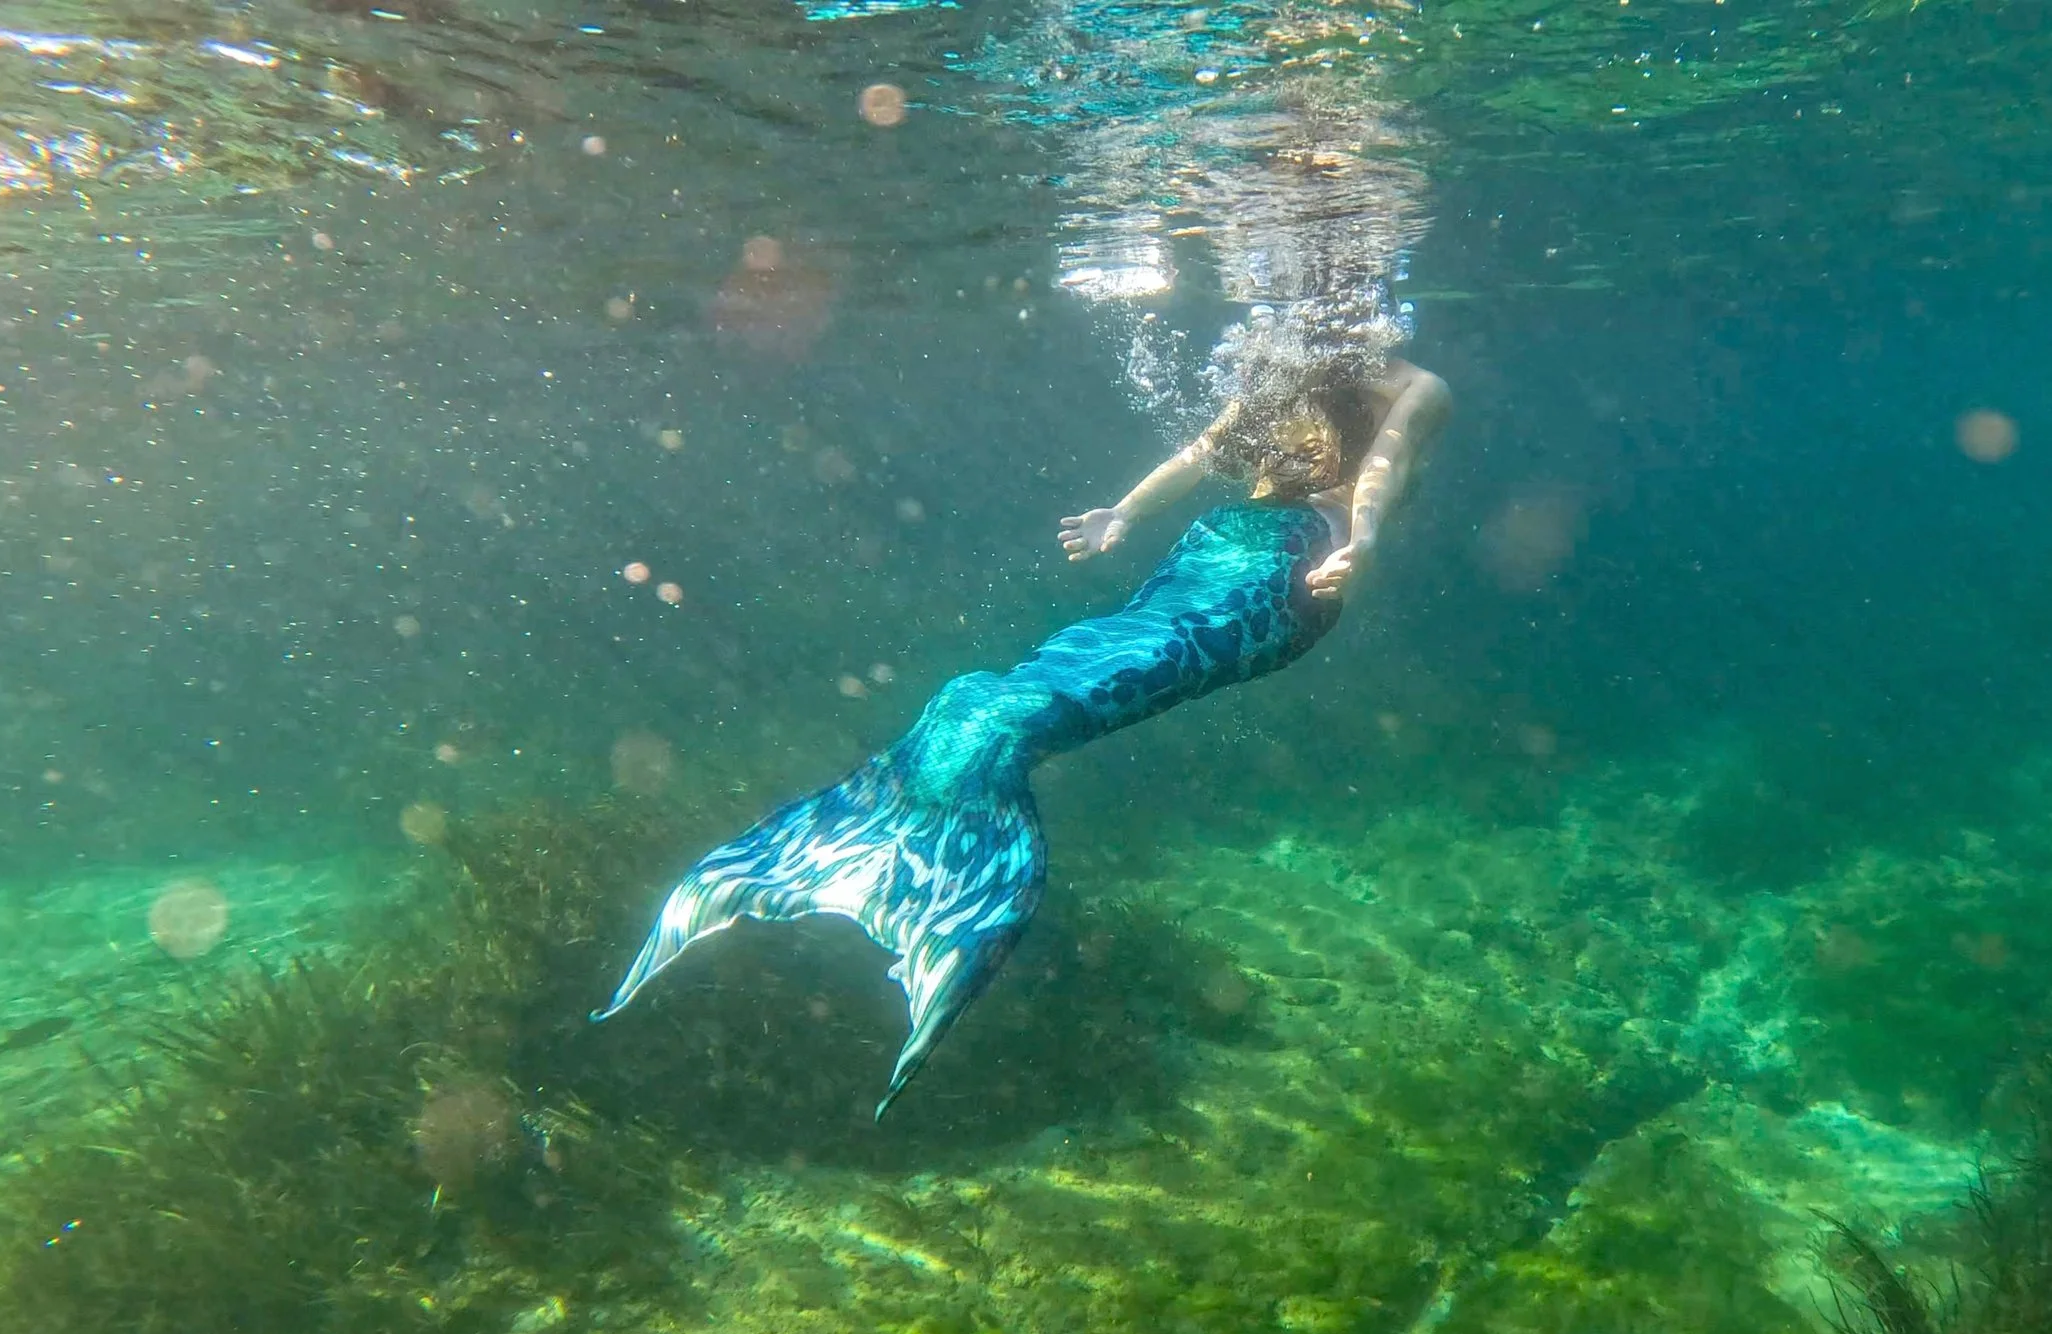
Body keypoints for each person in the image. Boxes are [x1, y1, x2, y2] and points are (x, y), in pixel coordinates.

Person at [592, 345, 1450, 1119]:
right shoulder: (1283, 355)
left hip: (1290, 577)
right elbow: (1201, 450)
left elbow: (1386, 466)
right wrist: (1121, 512)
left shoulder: (1415, 386)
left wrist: (1364, 544)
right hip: (1216, 545)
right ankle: (893, 859)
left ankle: (914, 880)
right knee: (986, 698)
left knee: (1026, 707)